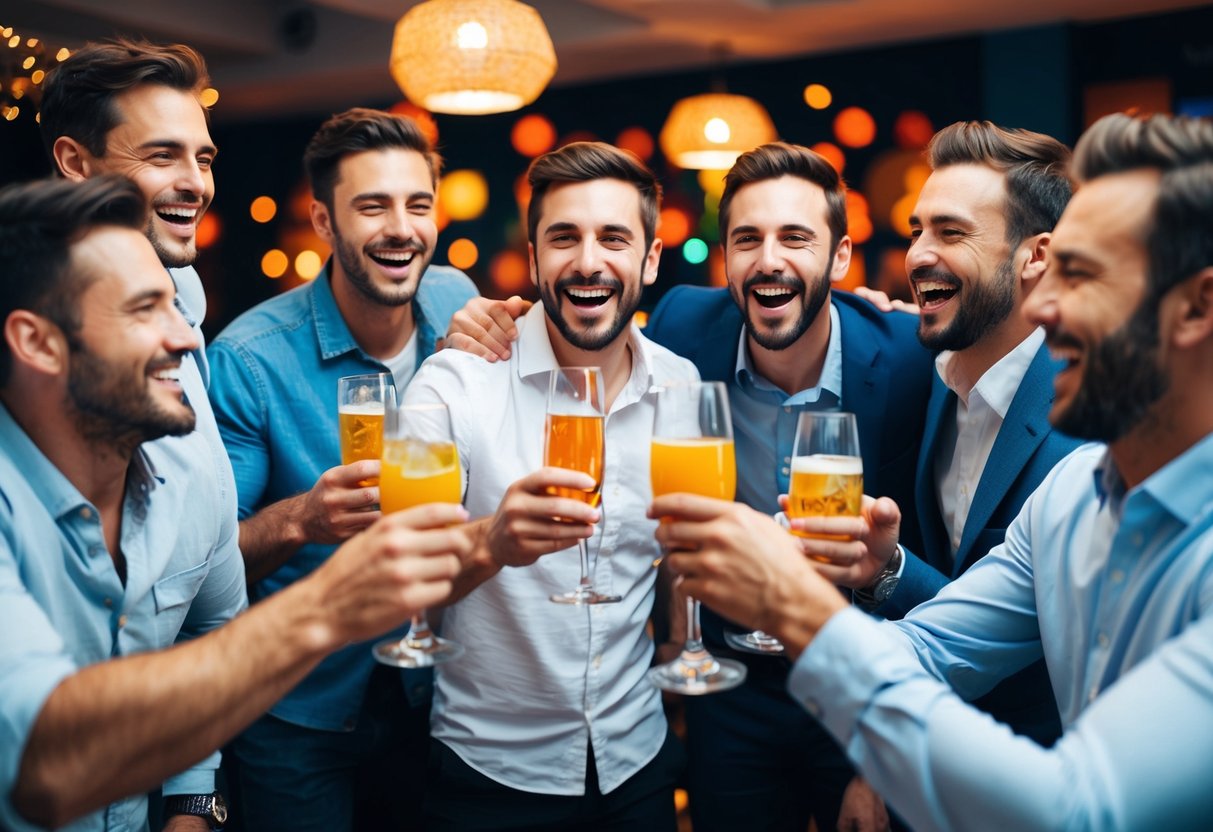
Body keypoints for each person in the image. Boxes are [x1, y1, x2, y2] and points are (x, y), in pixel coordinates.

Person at [652, 111, 1213, 831]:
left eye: (1082, 274)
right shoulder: (1070, 499)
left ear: (1197, 305)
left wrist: (793, 604)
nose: (1041, 305)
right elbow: (929, 647)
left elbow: (1078, 808)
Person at [444, 141, 933, 832]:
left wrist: (887, 751)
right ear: (724, 258)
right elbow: (583, 308)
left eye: (795, 238)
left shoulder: (912, 358)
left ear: (842, 256)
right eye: (746, 240)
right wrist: (478, 318)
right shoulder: (680, 331)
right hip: (726, 690)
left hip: (859, 681)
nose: (768, 260)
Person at [0, 176, 468, 832]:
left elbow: (201, 629)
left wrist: (194, 804)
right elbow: (38, 765)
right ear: (38, 343)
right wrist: (328, 603)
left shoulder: (179, 482)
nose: (189, 340)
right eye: (144, 310)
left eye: (176, 308)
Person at [403, 141, 696, 830]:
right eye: (563, 238)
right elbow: (396, 584)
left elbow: (679, 549)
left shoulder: (679, 383)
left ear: (649, 260)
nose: (588, 262)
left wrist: (683, 642)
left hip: (637, 761)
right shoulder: (453, 384)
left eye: (614, 239)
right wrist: (491, 542)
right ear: (533, 260)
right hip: (488, 771)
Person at [206, 108, 477, 831]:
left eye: (417, 205)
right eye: (372, 206)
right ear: (324, 222)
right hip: (302, 709)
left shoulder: (457, 300)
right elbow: (204, 565)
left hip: (439, 691)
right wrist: (301, 518)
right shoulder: (250, 359)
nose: (401, 228)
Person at [802, 122, 1084, 749]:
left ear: (1036, 256)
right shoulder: (932, 375)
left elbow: (1021, 627)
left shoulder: (1087, 421)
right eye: (917, 230)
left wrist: (789, 601)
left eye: (951, 232)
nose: (918, 254)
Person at [36, 38, 244, 827]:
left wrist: (196, 800)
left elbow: (210, 621)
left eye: (204, 155)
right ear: (75, 162)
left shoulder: (184, 327)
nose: (195, 182)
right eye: (163, 155)